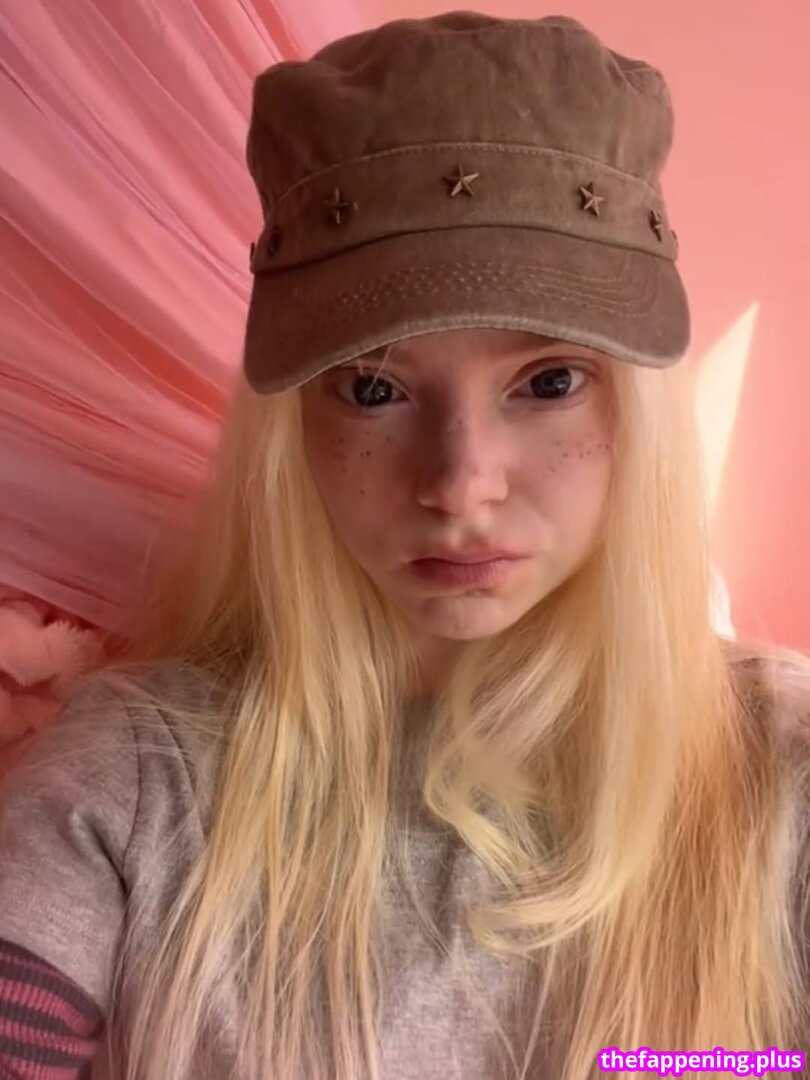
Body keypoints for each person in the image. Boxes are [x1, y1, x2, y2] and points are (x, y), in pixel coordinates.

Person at [1, 10, 809, 1080]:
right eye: (373, 389)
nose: (461, 484)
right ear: (289, 430)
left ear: (641, 412)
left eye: (550, 381)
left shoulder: (783, 775)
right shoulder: (134, 783)